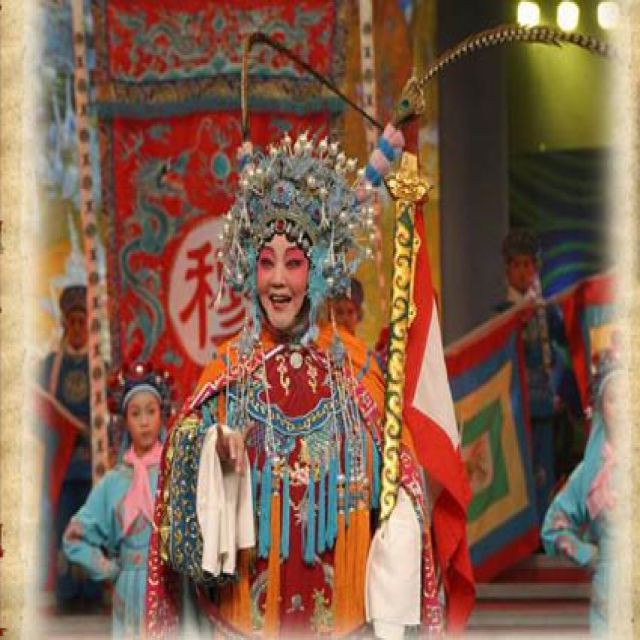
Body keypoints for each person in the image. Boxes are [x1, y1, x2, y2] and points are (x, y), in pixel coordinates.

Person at [145, 132, 470, 638]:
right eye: (266, 262)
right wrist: (213, 450)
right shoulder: (229, 373)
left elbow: (400, 475)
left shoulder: (356, 371)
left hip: (344, 615)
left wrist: (400, 496)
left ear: (319, 271)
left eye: (294, 263)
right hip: (246, 618)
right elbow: (177, 479)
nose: (278, 279)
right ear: (249, 269)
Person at [63, 362, 173, 638]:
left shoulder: (175, 471)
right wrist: (109, 570)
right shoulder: (114, 482)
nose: (144, 421)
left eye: (151, 411)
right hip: (129, 591)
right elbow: (73, 538)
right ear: (125, 422)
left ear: (161, 416)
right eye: (136, 413)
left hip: (170, 588)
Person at [495, 229, 581, 523]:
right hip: (514, 408)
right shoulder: (502, 315)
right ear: (508, 270)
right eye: (517, 265)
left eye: (528, 265)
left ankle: (544, 531)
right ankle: (522, 534)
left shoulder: (544, 311)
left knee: (543, 473)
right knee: (519, 478)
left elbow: (565, 337)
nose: (522, 272)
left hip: (543, 405)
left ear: (535, 268)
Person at [541, 352, 622, 635]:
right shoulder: (590, 473)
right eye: (613, 399)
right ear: (600, 408)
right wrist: (589, 555)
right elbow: (553, 526)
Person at [37, 284, 104, 611]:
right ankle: (65, 593)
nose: (77, 328)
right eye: (72, 322)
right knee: (63, 527)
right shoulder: (49, 367)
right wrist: (63, 434)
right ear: (64, 324)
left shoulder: (100, 367)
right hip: (62, 467)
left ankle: (92, 592)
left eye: (83, 322)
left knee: (90, 529)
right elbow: (40, 414)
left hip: (92, 465)